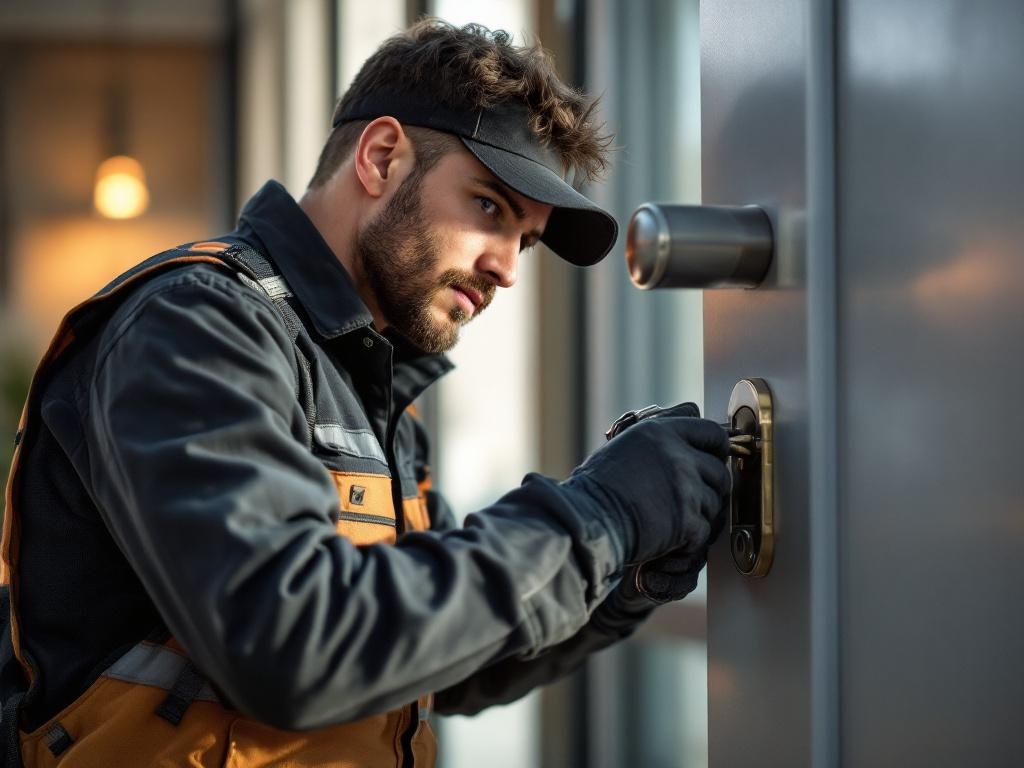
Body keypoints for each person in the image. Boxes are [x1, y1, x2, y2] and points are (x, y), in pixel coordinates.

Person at [0, 19, 731, 768]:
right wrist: (600, 516)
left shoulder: (365, 382)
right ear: (381, 158)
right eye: (489, 207)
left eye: (527, 240)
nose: (507, 268)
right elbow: (292, 644)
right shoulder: (196, 326)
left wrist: (622, 578)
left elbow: (441, 660)